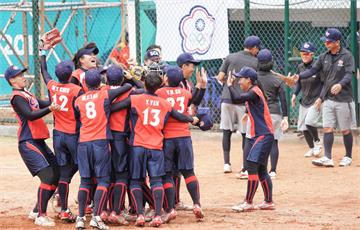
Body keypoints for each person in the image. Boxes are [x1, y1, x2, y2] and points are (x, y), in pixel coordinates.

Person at [110, 72, 199, 227]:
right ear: (158, 87)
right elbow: (179, 116)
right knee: (157, 180)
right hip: (156, 146)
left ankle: (139, 215)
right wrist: (192, 119)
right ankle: (158, 215)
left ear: (145, 85)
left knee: (136, 181)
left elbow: (115, 107)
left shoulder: (135, 99)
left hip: (138, 145)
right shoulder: (165, 104)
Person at [74, 69, 132, 230]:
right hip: (101, 141)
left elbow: (78, 117)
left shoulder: (78, 100)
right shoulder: (104, 94)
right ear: (100, 83)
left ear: (84, 83)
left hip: (83, 142)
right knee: (104, 180)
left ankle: (80, 218)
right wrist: (129, 79)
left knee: (85, 180)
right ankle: (97, 217)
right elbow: (126, 87)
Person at [6, 65, 61, 226]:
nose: (24, 76)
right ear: (12, 80)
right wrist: (50, 108)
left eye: (23, 73)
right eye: (19, 75)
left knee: (56, 173)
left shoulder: (26, 94)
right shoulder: (17, 97)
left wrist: (58, 99)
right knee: (48, 176)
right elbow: (30, 115)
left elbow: (44, 103)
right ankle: (41, 216)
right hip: (28, 141)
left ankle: (37, 210)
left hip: (38, 140)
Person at [294, 28, 356, 167]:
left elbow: (348, 74)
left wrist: (340, 84)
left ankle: (348, 156)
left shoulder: (347, 56)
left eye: (329, 41)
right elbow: (312, 70)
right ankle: (328, 157)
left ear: (337, 42)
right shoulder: (323, 57)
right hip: (327, 98)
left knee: (345, 129)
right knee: (327, 128)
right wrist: (298, 76)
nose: (326, 43)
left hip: (344, 98)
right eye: (325, 41)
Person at [156, 66, 206, 222]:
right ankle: (197, 204)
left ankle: (170, 209)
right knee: (188, 172)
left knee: (167, 174)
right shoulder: (185, 93)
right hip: (184, 136)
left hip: (167, 137)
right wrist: (201, 87)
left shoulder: (160, 92)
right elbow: (195, 100)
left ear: (166, 79)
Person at [40, 50, 83, 222]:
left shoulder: (52, 86)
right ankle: (89, 205)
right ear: (71, 74)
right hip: (73, 134)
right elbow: (81, 111)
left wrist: (43, 54)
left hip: (58, 135)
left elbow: (44, 71)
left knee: (64, 172)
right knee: (83, 165)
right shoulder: (77, 90)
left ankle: (64, 208)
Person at [227, 66, 275, 212]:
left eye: (241, 79)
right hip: (262, 134)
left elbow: (236, 98)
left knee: (251, 165)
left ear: (249, 80)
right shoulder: (253, 91)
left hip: (263, 134)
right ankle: (268, 202)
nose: (239, 81)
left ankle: (248, 202)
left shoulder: (254, 92)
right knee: (261, 170)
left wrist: (229, 85)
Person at [216, 35, 260, 174]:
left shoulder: (230, 57)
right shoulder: (255, 61)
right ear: (253, 48)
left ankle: (226, 164)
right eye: (257, 49)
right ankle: (244, 164)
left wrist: (230, 83)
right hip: (243, 101)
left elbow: (220, 77)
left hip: (227, 98)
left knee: (226, 131)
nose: (257, 51)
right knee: (245, 134)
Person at [175, 52, 207, 210]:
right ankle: (173, 202)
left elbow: (192, 102)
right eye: (191, 65)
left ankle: (176, 201)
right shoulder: (176, 83)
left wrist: (202, 88)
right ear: (182, 66)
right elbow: (188, 101)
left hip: (182, 129)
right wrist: (199, 88)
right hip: (175, 131)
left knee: (178, 170)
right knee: (177, 170)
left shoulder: (186, 83)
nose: (194, 68)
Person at [256, 49, 289, 178]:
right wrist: (285, 117)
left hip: (259, 112)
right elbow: (283, 99)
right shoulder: (276, 79)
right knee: (273, 141)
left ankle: (257, 168)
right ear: (271, 63)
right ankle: (273, 170)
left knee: (257, 141)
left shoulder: (254, 77)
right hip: (274, 113)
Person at [291, 42, 323, 158]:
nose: (304, 55)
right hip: (304, 100)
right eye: (302, 53)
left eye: (306, 53)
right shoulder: (300, 67)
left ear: (312, 54)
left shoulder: (317, 67)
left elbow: (324, 84)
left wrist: (321, 98)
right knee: (303, 128)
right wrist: (294, 94)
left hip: (315, 100)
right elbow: (299, 83)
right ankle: (312, 148)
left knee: (309, 122)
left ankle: (318, 142)